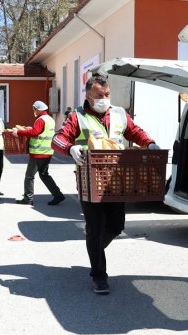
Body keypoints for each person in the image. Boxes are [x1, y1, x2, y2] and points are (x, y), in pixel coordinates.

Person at [52, 74, 159, 295]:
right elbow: (58, 139)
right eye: (99, 96)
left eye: (107, 94)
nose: (104, 99)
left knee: (116, 226)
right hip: (89, 180)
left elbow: (134, 131)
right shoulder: (77, 117)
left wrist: (149, 142)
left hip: (117, 179)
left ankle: (94, 250)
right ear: (88, 97)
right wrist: (70, 148)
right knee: (95, 227)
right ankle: (99, 275)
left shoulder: (119, 114)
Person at [12, 101, 65, 206]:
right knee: (44, 175)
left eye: (34, 109)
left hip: (38, 152)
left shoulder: (40, 120)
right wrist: (30, 129)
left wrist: (19, 132)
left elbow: (35, 132)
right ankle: (58, 195)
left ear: (38, 109)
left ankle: (28, 198)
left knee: (29, 176)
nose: (34, 111)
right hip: (47, 152)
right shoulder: (50, 119)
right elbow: (41, 132)